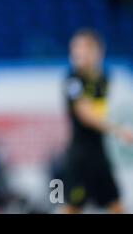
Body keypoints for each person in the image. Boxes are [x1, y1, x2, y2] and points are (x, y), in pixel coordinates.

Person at [62, 28, 133, 214]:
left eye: (83, 47)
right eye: (75, 48)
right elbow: (86, 115)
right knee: (71, 208)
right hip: (80, 158)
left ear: (97, 51)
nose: (78, 53)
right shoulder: (72, 81)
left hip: (100, 156)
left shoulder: (105, 78)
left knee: (117, 207)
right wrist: (119, 130)